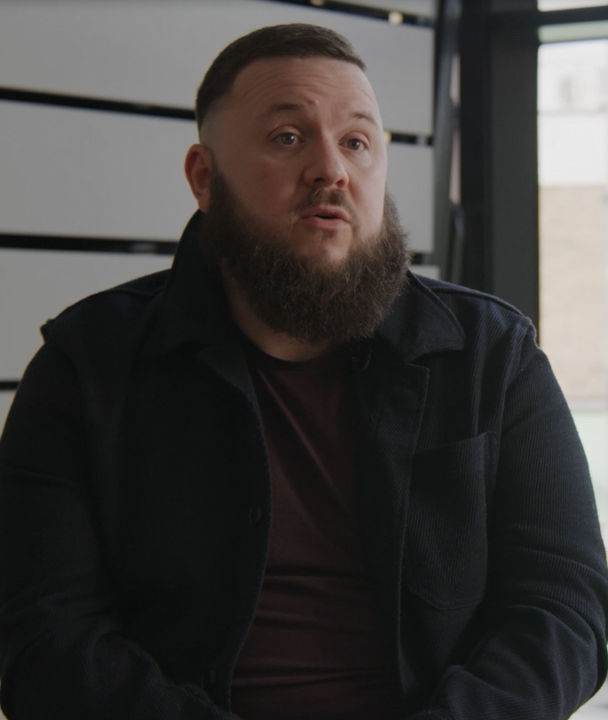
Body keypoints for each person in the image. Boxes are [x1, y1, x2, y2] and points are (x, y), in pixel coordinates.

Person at [0, 22, 606, 720]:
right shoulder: (85, 368)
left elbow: (565, 608)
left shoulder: (493, 357)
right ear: (205, 177)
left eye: (356, 141)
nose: (332, 170)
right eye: (288, 138)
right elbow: (48, 642)